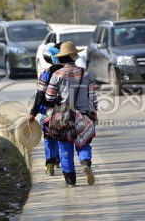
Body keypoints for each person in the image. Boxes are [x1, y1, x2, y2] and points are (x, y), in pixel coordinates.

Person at [45, 41, 98, 187]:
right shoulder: (86, 73)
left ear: (61, 58)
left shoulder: (57, 74)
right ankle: (85, 162)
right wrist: (93, 113)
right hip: (83, 115)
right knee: (84, 143)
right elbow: (93, 96)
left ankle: (70, 181)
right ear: (74, 56)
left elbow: (49, 97)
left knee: (65, 148)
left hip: (63, 117)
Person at [28, 43, 64, 176]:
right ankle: (61, 161)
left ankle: (50, 164)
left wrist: (33, 112)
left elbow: (40, 95)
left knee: (49, 137)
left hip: (49, 112)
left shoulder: (47, 73)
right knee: (64, 138)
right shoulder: (75, 71)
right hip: (68, 112)